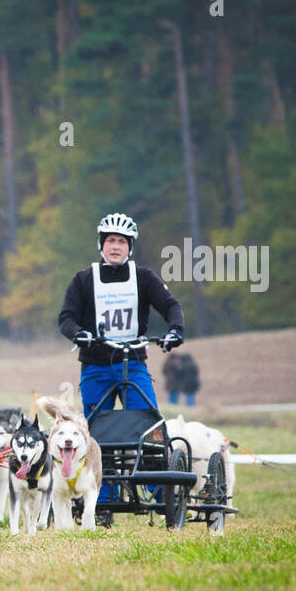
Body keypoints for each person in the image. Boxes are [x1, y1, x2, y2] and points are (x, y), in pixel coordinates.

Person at [57, 212, 185, 523]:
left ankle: (159, 490)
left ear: (130, 247)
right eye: (111, 241)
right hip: (96, 367)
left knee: (150, 426)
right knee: (96, 433)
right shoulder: (84, 279)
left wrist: (175, 330)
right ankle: (104, 500)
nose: (116, 246)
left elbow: (170, 306)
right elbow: (66, 318)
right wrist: (78, 333)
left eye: (122, 242)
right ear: (101, 245)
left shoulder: (144, 277)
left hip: (134, 363)